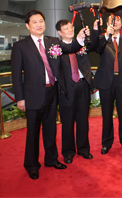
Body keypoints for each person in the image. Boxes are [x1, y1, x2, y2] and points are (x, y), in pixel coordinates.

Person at [11, 10, 88, 180]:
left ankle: (51, 159)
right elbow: (16, 75)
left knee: (50, 129)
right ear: (27, 26)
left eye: (41, 21)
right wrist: (20, 98)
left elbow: (70, 48)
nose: (39, 24)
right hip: (32, 96)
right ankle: (31, 165)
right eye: (35, 22)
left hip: (52, 92)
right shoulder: (21, 46)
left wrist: (80, 39)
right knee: (32, 132)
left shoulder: (53, 41)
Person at [55, 19, 100, 164]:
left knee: (83, 121)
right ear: (59, 32)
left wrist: (94, 29)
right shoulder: (57, 48)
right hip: (67, 89)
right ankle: (68, 152)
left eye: (71, 27)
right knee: (67, 123)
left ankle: (84, 149)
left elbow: (94, 44)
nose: (70, 30)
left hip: (83, 86)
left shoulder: (81, 44)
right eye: (66, 28)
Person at [93, 15, 122, 154]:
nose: (115, 22)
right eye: (112, 20)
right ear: (107, 23)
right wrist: (106, 35)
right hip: (106, 82)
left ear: (121, 24)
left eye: (117, 20)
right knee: (106, 115)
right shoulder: (102, 40)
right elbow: (97, 49)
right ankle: (106, 143)